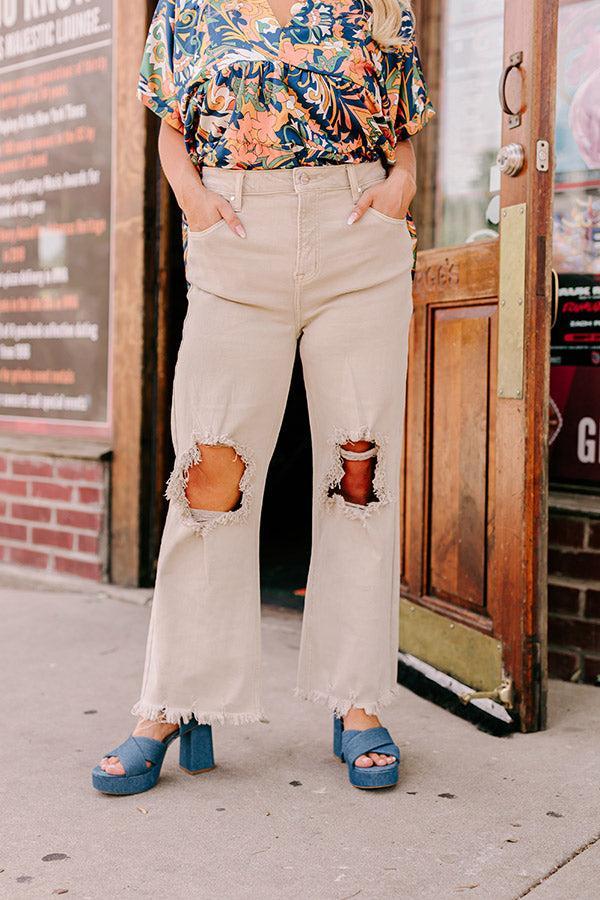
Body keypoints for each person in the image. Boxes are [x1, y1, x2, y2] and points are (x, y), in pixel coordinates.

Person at [92, 0, 435, 795]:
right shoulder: (188, 10)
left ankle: (357, 702)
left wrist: (404, 183)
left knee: (360, 474)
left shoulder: (372, 6)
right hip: (237, 232)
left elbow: (400, 125)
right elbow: (171, 126)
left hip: (357, 230)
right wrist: (193, 200)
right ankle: (173, 700)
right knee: (208, 476)